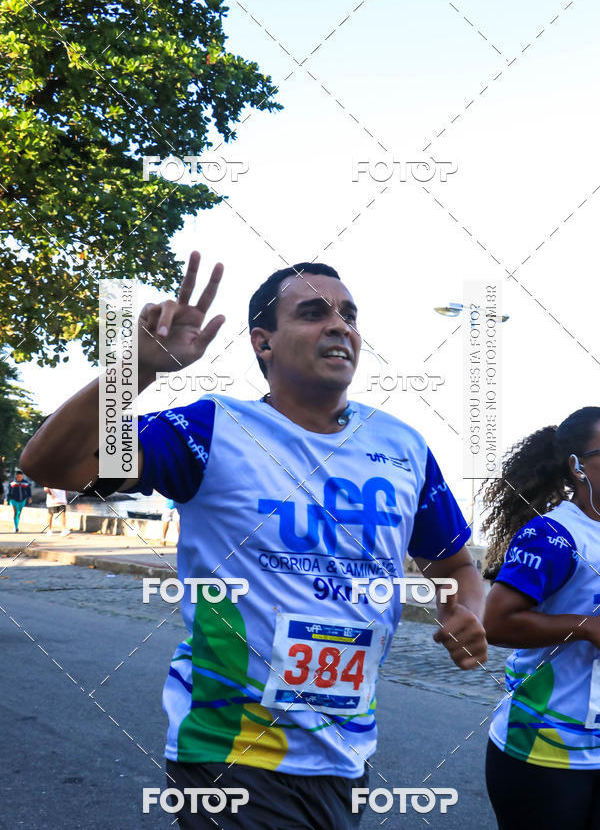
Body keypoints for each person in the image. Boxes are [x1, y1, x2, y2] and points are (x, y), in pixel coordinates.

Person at [21, 252, 487, 829]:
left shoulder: (402, 445)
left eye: (349, 314)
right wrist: (131, 371)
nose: (340, 326)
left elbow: (458, 565)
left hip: (346, 753)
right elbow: (56, 464)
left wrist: (464, 611)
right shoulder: (210, 429)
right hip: (228, 752)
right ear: (263, 343)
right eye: (314, 313)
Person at [481, 407, 600, 830]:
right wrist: (587, 628)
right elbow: (496, 623)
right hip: (545, 752)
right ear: (577, 466)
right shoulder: (553, 535)